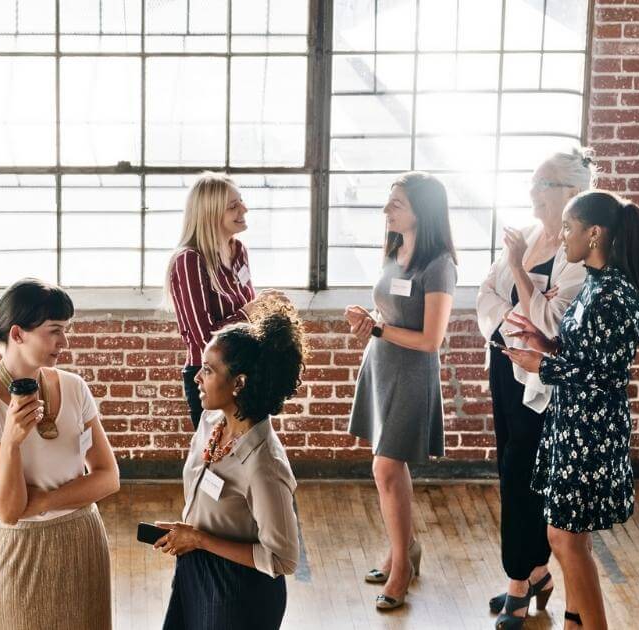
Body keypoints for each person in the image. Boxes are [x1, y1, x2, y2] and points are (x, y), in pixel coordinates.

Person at [503, 191, 639, 630]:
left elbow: (605, 377)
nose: (562, 236)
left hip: (590, 431)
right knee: (563, 537)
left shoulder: (614, 296)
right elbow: (585, 355)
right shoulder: (594, 284)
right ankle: (576, 623)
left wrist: (543, 365)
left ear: (595, 233)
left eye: (569, 228)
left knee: (566, 539)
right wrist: (544, 342)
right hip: (572, 425)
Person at [476, 149, 594, 628]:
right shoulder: (523, 235)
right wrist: (519, 315)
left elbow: (553, 322)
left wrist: (520, 277)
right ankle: (536, 572)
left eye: (542, 184)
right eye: (533, 182)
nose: (531, 192)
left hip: (542, 381)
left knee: (525, 472)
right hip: (505, 364)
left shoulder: (576, 255)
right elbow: (486, 294)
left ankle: (518, 584)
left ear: (571, 192)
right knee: (509, 466)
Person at [0, 278, 121, 630]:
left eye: (66, 330)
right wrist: (11, 442)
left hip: (83, 541)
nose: (64, 341)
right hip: (23, 552)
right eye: (54, 331)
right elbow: (7, 509)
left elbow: (108, 478)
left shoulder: (75, 388)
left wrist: (45, 500)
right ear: (17, 334)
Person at [154, 301, 307, 630]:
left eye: (208, 370)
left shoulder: (264, 465)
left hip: (239, 592)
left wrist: (199, 539)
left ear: (238, 383)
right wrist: (191, 537)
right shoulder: (211, 421)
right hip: (194, 568)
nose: (197, 377)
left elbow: (283, 558)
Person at [344, 172, 457, 611]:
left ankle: (402, 570)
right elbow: (391, 308)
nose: (387, 210)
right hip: (382, 363)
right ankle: (401, 550)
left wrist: (378, 327)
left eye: (397, 204)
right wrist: (369, 318)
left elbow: (431, 340)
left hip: (411, 372)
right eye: (389, 201)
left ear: (421, 212)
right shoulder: (395, 247)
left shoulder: (439, 264)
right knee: (390, 467)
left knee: (386, 469)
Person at [166, 172, 286, 430]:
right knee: (217, 458)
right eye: (233, 206)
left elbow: (249, 312)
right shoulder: (189, 260)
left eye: (240, 201)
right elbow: (203, 339)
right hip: (212, 377)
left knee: (249, 454)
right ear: (210, 214)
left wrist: (268, 308)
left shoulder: (238, 250)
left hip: (246, 372)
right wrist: (250, 311)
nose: (244, 209)